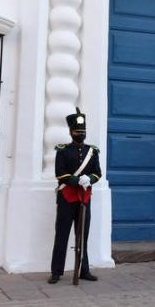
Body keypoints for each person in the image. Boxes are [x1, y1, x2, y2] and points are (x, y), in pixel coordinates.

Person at [48, 106, 102, 284]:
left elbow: (97, 173)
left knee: (83, 235)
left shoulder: (92, 152)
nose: (81, 134)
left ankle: (83, 270)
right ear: (71, 132)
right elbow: (60, 173)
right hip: (66, 198)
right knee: (62, 234)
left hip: (84, 198)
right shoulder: (62, 150)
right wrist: (76, 180)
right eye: (77, 131)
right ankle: (56, 271)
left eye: (83, 131)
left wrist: (89, 180)